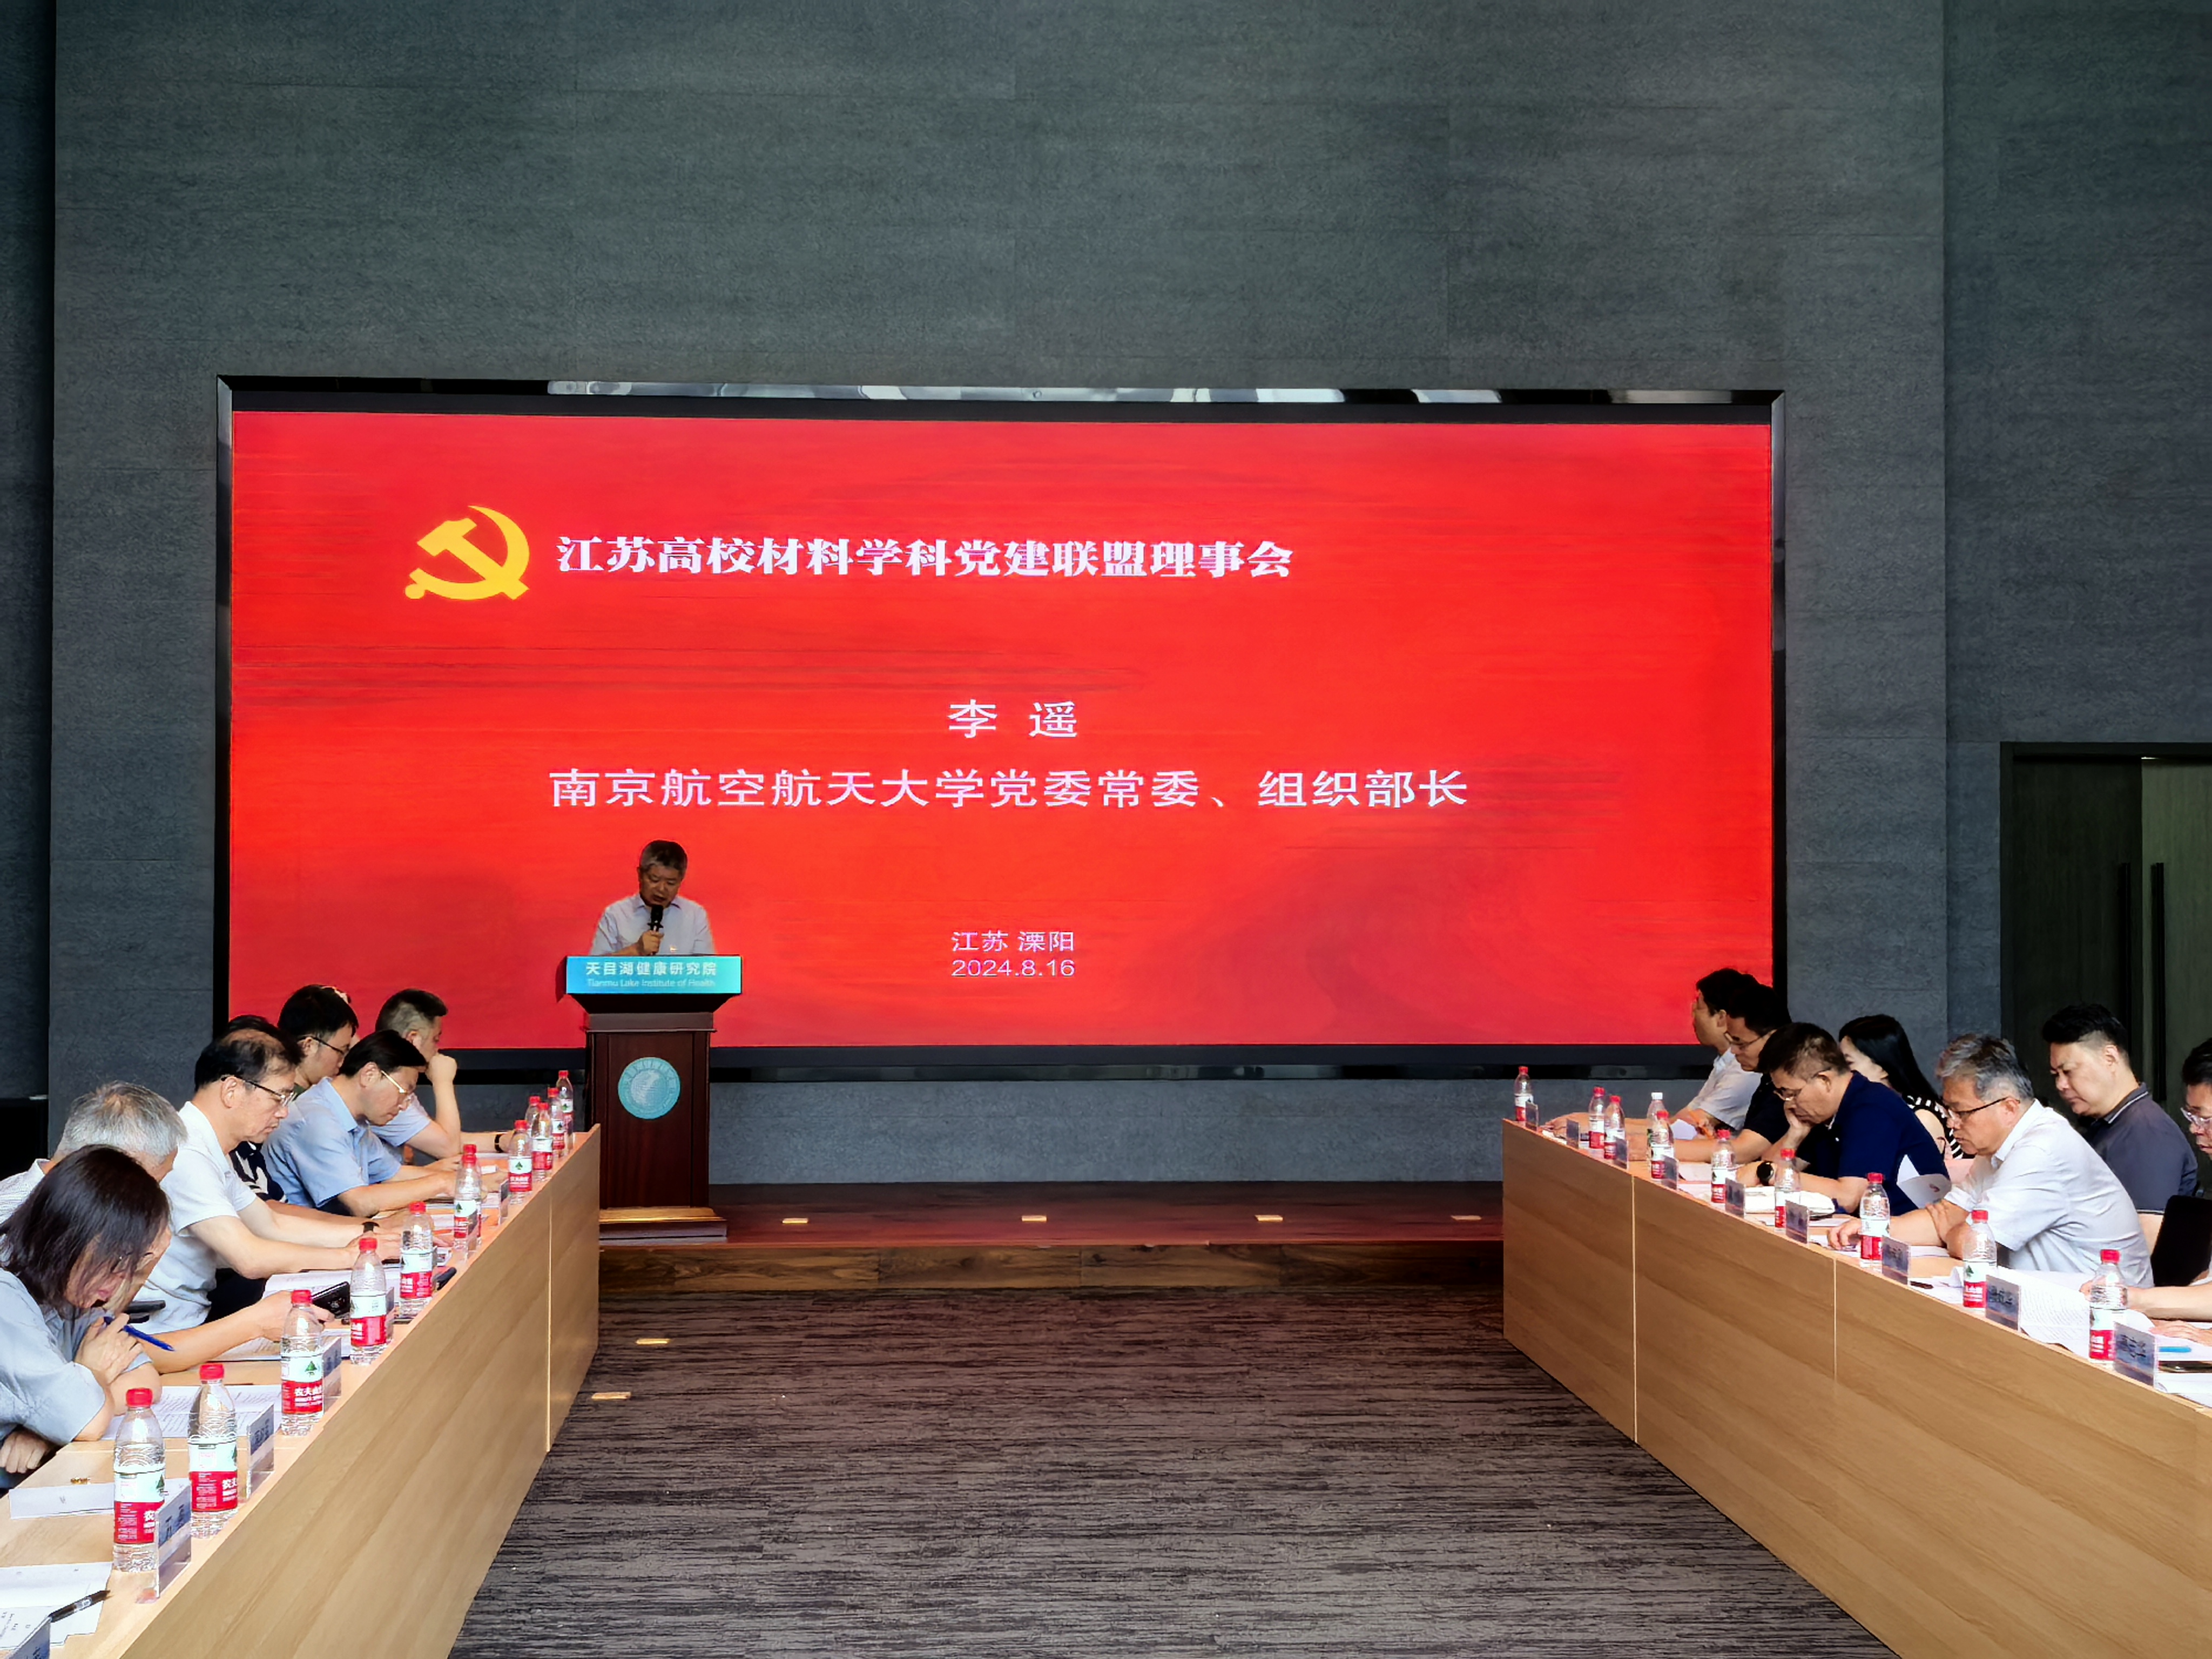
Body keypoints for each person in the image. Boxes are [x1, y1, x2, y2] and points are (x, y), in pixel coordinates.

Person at [1835, 1034, 2152, 1283]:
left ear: (2008, 1108)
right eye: (1949, 1111)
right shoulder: (1996, 1146)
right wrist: (1875, 1229)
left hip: (2102, 1313)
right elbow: (1944, 1215)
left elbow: (1973, 1244)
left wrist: (1954, 1231)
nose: (1951, 1123)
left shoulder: (2042, 1149)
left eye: (1962, 1112)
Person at [141, 1034, 374, 1334]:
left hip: (192, 1315)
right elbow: (249, 1257)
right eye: (279, 1097)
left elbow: (270, 1224)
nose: (284, 1112)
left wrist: (369, 1235)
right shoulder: (186, 1152)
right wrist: (347, 1256)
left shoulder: (210, 1144)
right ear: (232, 1091)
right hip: (169, 1329)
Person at [0, 1149, 162, 1485]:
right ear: (70, 1237)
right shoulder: (6, 1294)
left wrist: (47, 1430)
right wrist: (93, 1376)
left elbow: (145, 1380)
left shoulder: (67, 1290)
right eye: (116, 1262)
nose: (119, 1283)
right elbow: (88, 1422)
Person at [262, 1030, 457, 1217]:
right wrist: (441, 1182)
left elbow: (392, 1175)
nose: (404, 1106)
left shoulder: (353, 1117)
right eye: (404, 1092)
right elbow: (360, 1203)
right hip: (305, 1235)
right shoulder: (317, 1121)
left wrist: (456, 1178)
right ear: (370, 1074)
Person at [1763, 1023, 1945, 1215]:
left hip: (1902, 1227)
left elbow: (1847, 1198)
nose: (1789, 1103)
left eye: (1791, 1093)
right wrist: (1795, 1134)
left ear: (1824, 1081)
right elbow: (1766, 1171)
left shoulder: (1873, 1107)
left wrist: (1774, 1174)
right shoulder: (1824, 1114)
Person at [2041, 1003, 2198, 1211]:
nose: (2061, 1085)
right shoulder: (2108, 1124)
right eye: (2056, 1075)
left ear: (2110, 1058)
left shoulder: (2147, 1133)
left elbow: (2147, 1231)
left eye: (2069, 1072)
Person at [0, 1081, 184, 1226]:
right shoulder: (16, 1223)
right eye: (151, 1186)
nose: (150, 1199)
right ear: (107, 1167)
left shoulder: (63, 1208)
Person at [1838, 1013, 1955, 1158]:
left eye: (1848, 1063)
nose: (1840, 1072)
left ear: (1882, 1067)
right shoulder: (1868, 1110)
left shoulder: (1921, 1117)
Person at [374, 989, 463, 1161]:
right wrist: (443, 1081)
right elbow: (449, 1148)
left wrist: (500, 1141)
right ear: (413, 1039)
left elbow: (441, 1136)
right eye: (435, 1040)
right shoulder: (385, 1087)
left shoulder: (398, 1078)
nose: (437, 1050)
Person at [591, 839, 714, 957]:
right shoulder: (616, 915)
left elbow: (708, 968)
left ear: (681, 881)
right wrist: (636, 951)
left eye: (671, 883)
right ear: (640, 875)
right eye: (654, 880)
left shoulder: (695, 916)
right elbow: (593, 967)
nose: (661, 889)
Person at [1675, 968, 1762, 1134]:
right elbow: (1684, 1118)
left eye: (1699, 1007)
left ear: (1722, 1017)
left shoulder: (1745, 1069)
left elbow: (1691, 1127)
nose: (1693, 1015)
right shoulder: (1725, 1062)